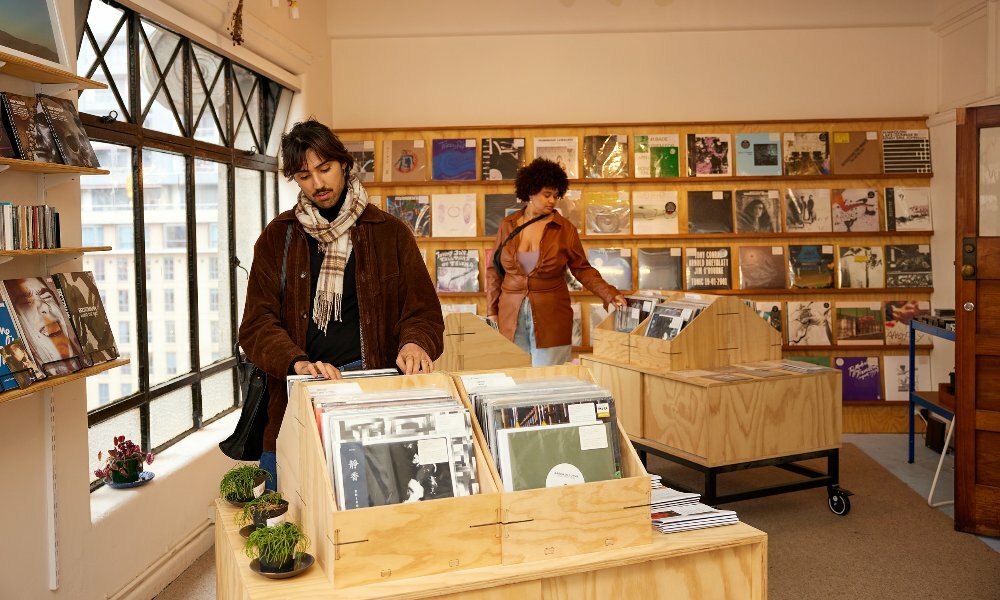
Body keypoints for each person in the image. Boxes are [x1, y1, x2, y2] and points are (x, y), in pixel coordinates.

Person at [238, 119, 444, 487]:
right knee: (286, 518)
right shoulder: (277, 237)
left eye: (324, 168)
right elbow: (256, 325)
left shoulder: (390, 233)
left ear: (344, 164)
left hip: (374, 396)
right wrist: (296, 362)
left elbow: (423, 312)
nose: (317, 184)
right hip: (296, 396)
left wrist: (415, 341)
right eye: (304, 176)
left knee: (373, 508)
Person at [486, 158, 626, 366]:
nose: (552, 200)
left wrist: (609, 293)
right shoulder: (508, 225)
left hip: (551, 315)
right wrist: (492, 311)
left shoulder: (564, 229)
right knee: (514, 379)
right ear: (531, 192)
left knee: (549, 380)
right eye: (547, 195)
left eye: (556, 195)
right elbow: (494, 271)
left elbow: (582, 269)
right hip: (510, 314)